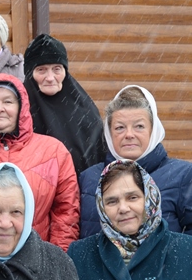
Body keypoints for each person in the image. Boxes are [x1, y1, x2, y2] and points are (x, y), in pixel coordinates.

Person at [0, 73, 79, 250]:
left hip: (34, 257)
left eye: (8, 102)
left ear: (22, 107)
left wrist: (57, 258)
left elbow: (66, 214)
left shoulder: (53, 151)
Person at [79, 84, 192, 238]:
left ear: (153, 130)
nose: (129, 134)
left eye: (139, 126)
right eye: (120, 128)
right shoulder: (89, 177)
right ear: (109, 133)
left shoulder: (182, 175)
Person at [23, 33, 104, 174]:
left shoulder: (84, 110)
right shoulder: (20, 110)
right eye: (41, 70)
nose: (50, 77)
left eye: (57, 69)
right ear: (30, 73)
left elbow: (97, 157)